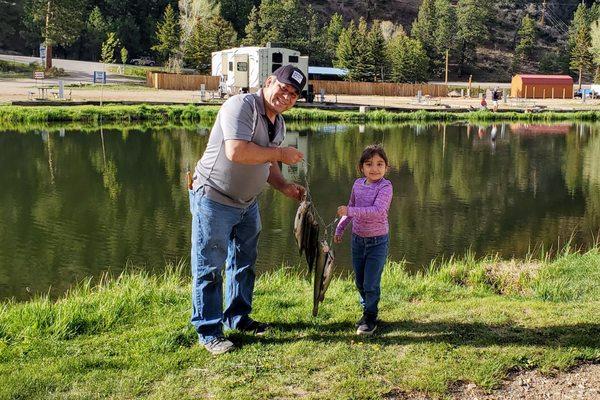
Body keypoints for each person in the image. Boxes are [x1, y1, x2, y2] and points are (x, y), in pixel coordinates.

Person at [189, 64, 307, 355]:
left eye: (294, 94)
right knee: (209, 267)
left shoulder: (278, 123)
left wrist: (285, 187)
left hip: (247, 204)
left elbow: (268, 165)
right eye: (283, 87)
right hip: (214, 197)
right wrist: (280, 152)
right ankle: (209, 331)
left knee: (244, 262)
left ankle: (238, 318)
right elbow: (237, 151)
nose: (287, 96)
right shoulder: (240, 106)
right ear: (268, 82)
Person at [334, 145, 393, 336]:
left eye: (379, 164)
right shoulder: (358, 184)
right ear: (361, 167)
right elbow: (351, 207)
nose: (374, 168)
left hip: (378, 241)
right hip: (358, 241)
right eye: (369, 164)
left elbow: (378, 211)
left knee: (370, 283)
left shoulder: (385, 186)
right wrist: (340, 227)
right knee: (360, 282)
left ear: (386, 167)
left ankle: (370, 316)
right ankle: (366, 310)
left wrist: (350, 211)